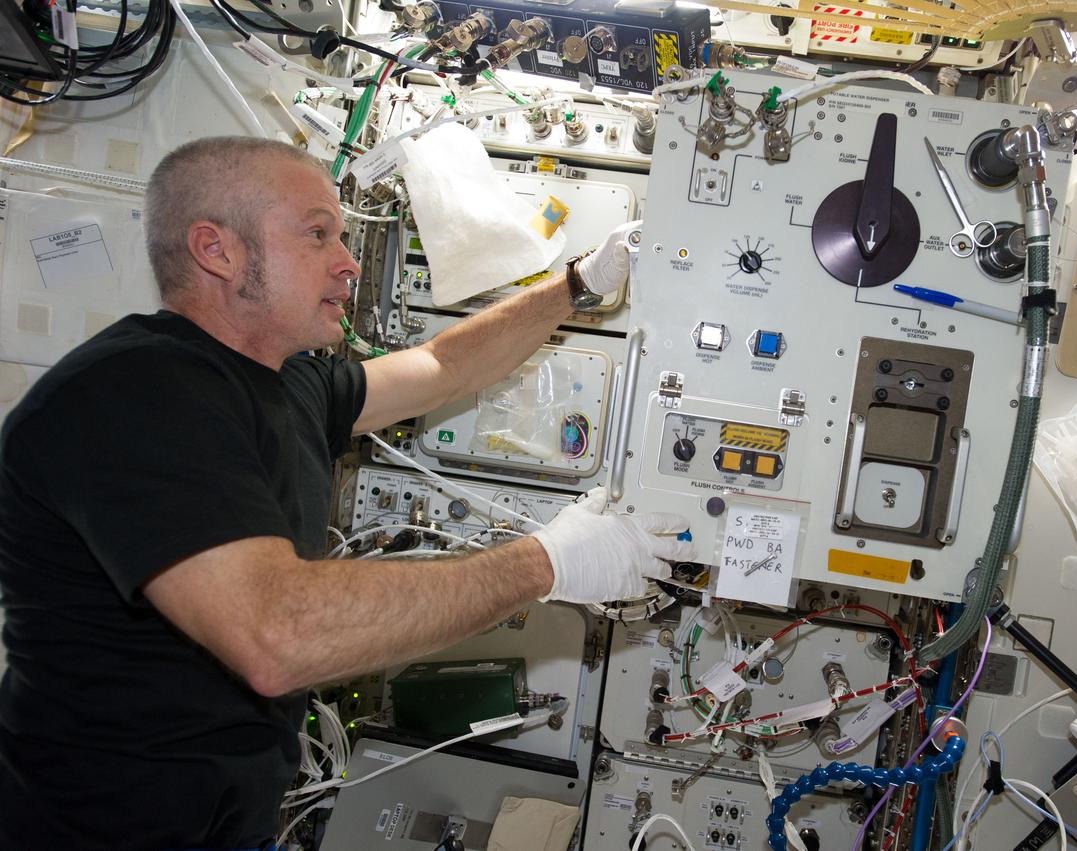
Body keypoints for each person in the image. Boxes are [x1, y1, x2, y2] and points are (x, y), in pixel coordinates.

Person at [0, 136, 692, 850]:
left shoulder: (287, 381)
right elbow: (279, 634)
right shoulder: (130, 395)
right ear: (217, 250)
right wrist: (545, 562)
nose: (348, 261)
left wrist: (578, 282)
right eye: (317, 232)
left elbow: (440, 364)